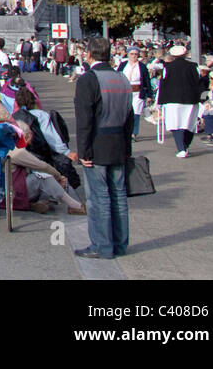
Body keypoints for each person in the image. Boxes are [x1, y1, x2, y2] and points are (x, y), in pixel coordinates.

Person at [72, 38, 134, 260]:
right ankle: (120, 243)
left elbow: (84, 120)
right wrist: (128, 148)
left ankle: (101, 245)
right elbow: (130, 118)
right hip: (118, 142)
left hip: (97, 143)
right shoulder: (122, 78)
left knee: (99, 198)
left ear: (89, 54)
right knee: (118, 196)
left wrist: (84, 151)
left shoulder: (88, 80)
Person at [158, 44, 207, 158]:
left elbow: (163, 86)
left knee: (176, 124)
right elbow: (200, 84)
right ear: (185, 54)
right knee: (189, 123)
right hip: (190, 100)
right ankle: (184, 146)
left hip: (172, 101)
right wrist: (203, 99)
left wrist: (160, 102)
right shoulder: (193, 67)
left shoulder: (167, 68)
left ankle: (181, 147)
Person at [122, 47, 152, 141]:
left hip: (137, 92)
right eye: (132, 54)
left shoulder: (142, 66)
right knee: (125, 113)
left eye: (136, 54)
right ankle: (124, 132)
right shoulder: (123, 65)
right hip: (125, 91)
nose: (134, 56)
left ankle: (133, 133)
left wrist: (149, 95)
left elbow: (147, 81)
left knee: (136, 113)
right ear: (128, 54)